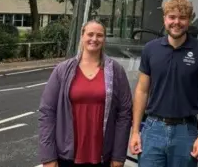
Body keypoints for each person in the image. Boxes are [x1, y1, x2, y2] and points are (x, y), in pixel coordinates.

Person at [129, 0, 198, 167]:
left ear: (189, 20)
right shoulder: (150, 49)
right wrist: (135, 131)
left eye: (182, 18)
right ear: (165, 19)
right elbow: (142, 90)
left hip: (186, 131)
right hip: (152, 129)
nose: (177, 22)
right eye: (172, 17)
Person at [38, 20, 133, 167]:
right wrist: (48, 156)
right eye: (90, 34)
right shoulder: (63, 70)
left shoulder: (116, 71)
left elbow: (124, 114)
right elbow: (47, 112)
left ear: (104, 39)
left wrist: (119, 155)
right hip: (67, 157)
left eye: (99, 35)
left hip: (103, 156)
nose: (94, 39)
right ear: (82, 36)